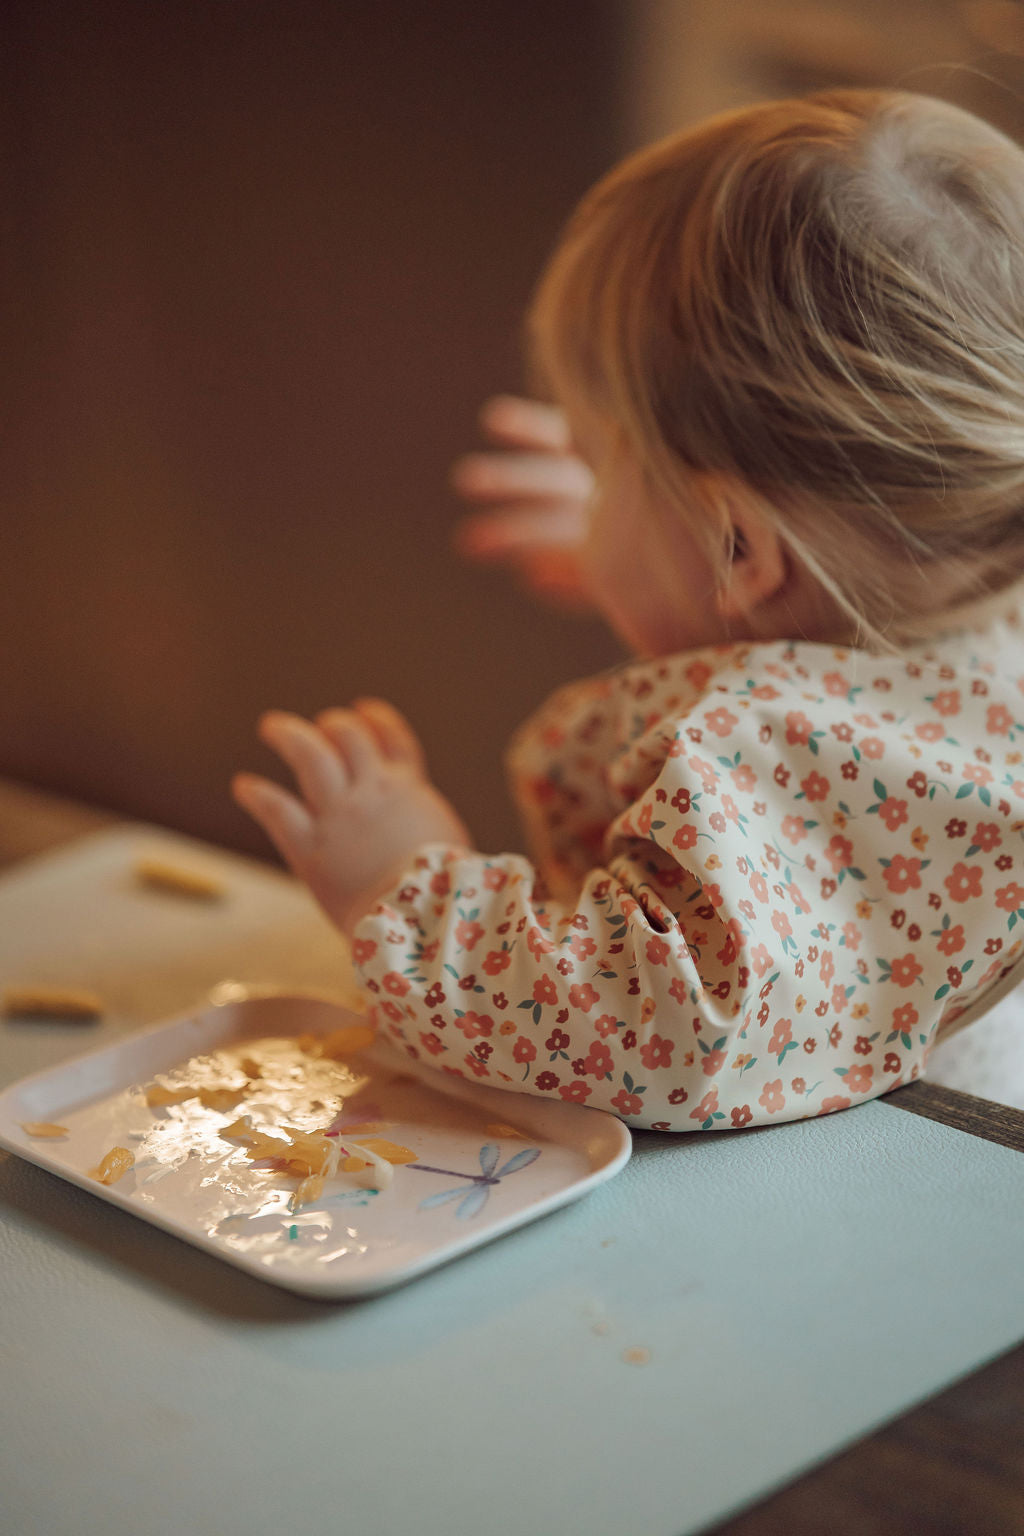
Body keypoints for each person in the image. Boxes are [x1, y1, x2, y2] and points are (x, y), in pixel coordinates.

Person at [233, 89, 1024, 1132]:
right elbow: (797, 637)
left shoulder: (773, 759)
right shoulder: (970, 625)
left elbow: (641, 1032)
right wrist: (657, 561)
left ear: (737, 548)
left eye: (601, 468)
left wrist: (404, 891)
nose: (591, 499)